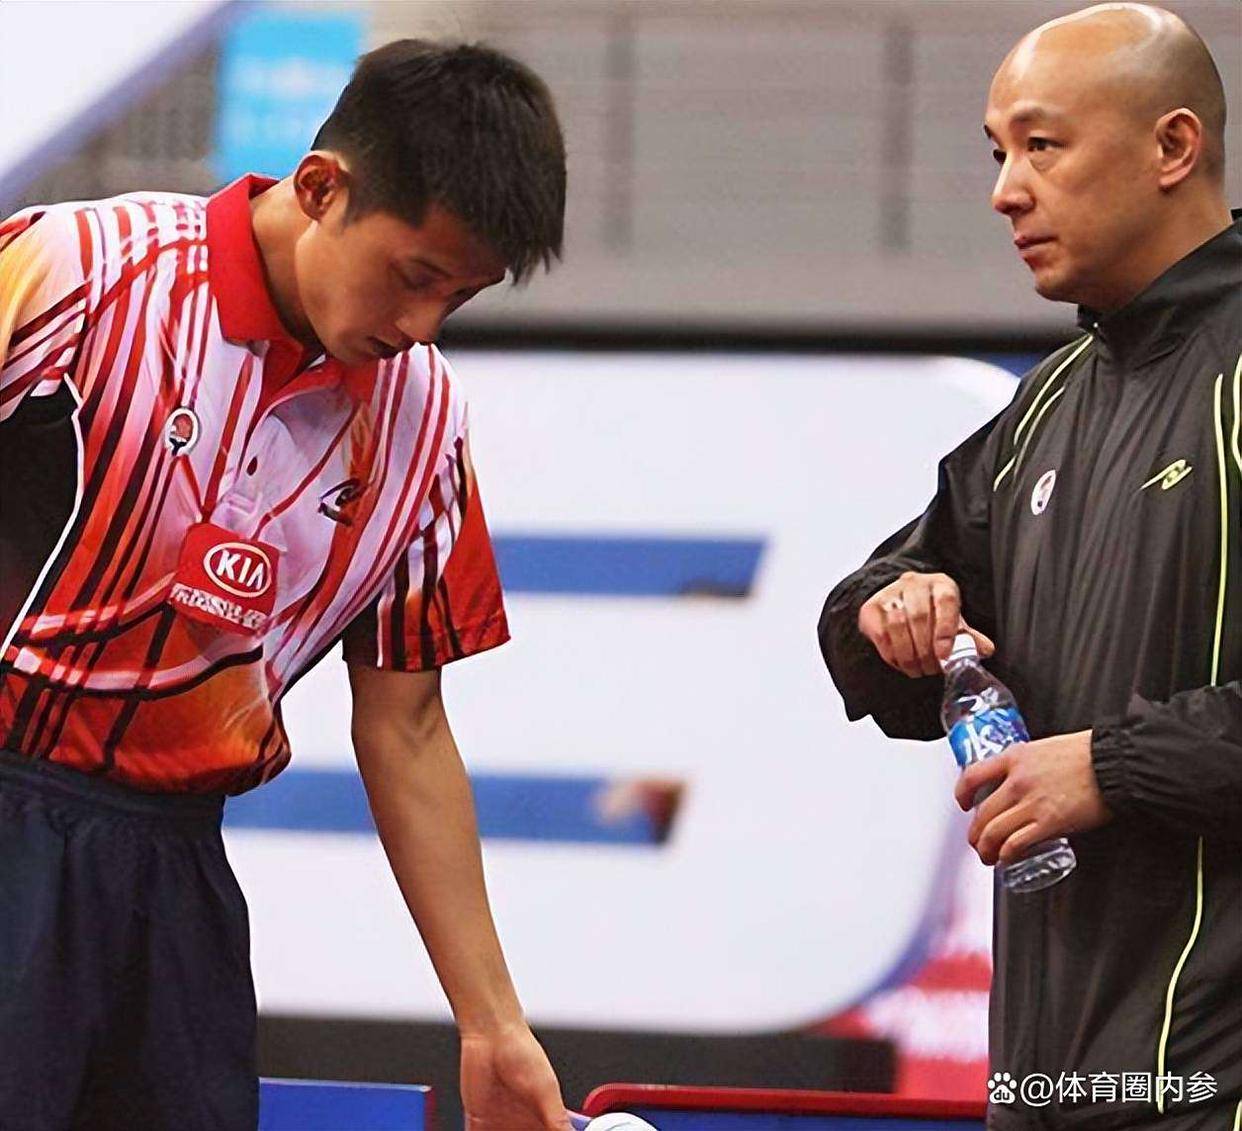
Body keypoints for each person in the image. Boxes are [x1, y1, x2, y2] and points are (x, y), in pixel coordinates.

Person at [0, 40, 572, 1131]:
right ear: (320, 188)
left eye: (460, 296)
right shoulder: (77, 272)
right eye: (415, 276)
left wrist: (492, 1023)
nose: (422, 327)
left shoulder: (423, 424)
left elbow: (407, 725)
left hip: (177, 874)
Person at [818, 5, 1240, 1128]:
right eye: (998, 152)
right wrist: (894, 612)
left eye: (1042, 146)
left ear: (1173, 146)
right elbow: (863, 609)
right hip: (1046, 1088)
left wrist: (1112, 766)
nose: (1007, 190)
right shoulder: (1048, 404)